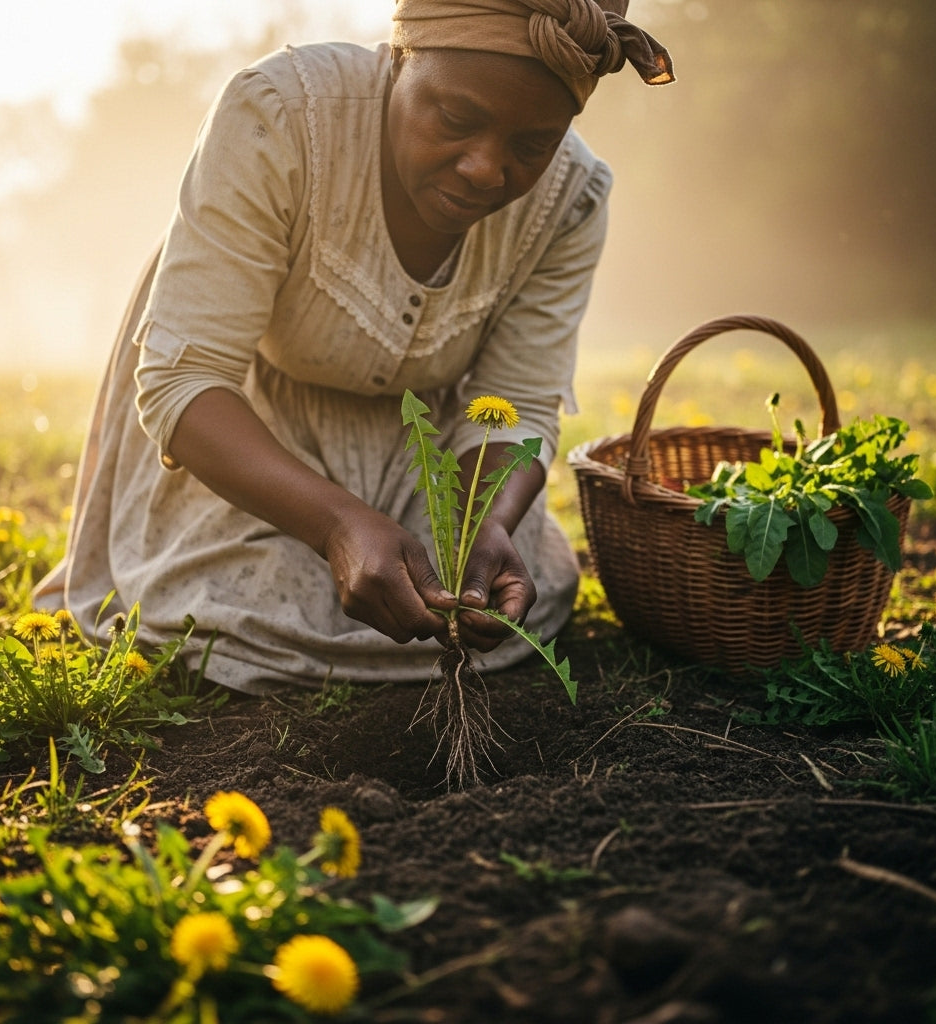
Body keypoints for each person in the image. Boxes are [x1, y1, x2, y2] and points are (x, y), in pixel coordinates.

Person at [37, 0, 673, 694]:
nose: (486, 169)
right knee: (222, 606)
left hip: (419, 449)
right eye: (456, 120)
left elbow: (515, 401)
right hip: (246, 433)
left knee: (527, 589)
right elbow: (187, 382)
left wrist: (481, 525)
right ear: (400, 58)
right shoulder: (279, 116)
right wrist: (337, 525)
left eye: (531, 147)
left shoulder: (572, 198)